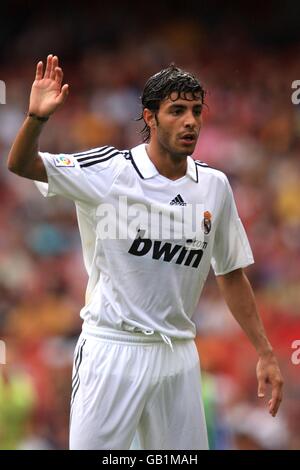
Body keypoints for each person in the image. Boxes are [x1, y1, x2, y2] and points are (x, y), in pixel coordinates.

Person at [7, 55, 283, 450]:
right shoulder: (108, 171)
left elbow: (231, 273)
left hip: (178, 356)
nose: (190, 121)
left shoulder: (214, 186)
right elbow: (21, 164)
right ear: (149, 118)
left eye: (195, 111)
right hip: (112, 350)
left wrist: (266, 352)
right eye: (176, 111)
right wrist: (36, 118)